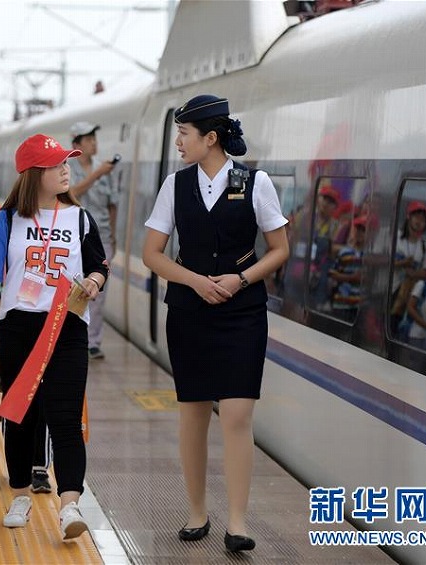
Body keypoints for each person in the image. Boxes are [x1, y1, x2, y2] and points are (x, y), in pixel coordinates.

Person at [142, 95, 289, 553]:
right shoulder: (175, 186)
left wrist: (241, 278)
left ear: (210, 138)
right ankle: (197, 512)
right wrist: (196, 282)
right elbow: (153, 254)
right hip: (189, 311)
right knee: (193, 412)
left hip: (242, 312)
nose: (179, 142)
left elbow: (279, 249)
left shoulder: (255, 182)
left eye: (184, 134)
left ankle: (239, 522)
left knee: (238, 415)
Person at [0, 134, 109, 539]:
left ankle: (69, 505)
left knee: (65, 417)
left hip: (68, 327)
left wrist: (93, 280)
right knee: (20, 415)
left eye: (66, 163)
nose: (66, 170)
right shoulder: (7, 221)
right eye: (56, 164)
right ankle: (20, 494)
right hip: (20, 328)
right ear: (33, 173)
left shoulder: (80, 219)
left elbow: (99, 266)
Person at [68, 122, 117, 359]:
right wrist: (96, 175)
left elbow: (112, 204)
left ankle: (93, 341)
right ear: (76, 145)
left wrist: (113, 236)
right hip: (75, 237)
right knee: (73, 288)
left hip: (103, 238)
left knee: (98, 290)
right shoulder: (67, 168)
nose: (94, 143)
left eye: (94, 139)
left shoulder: (105, 169)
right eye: (88, 140)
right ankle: (73, 336)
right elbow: (72, 194)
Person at [390, 201, 426, 333]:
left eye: (423, 219)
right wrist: (402, 264)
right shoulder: (394, 237)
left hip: (406, 298)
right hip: (386, 293)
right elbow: (379, 260)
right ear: (409, 216)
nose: (419, 221)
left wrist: (414, 274)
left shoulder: (425, 248)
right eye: (417, 217)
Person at [328, 216, 367, 322]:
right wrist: (351, 277)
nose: (359, 233)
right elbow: (332, 273)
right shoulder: (345, 252)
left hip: (359, 306)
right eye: (357, 229)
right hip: (342, 304)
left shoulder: (369, 256)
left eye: (363, 230)